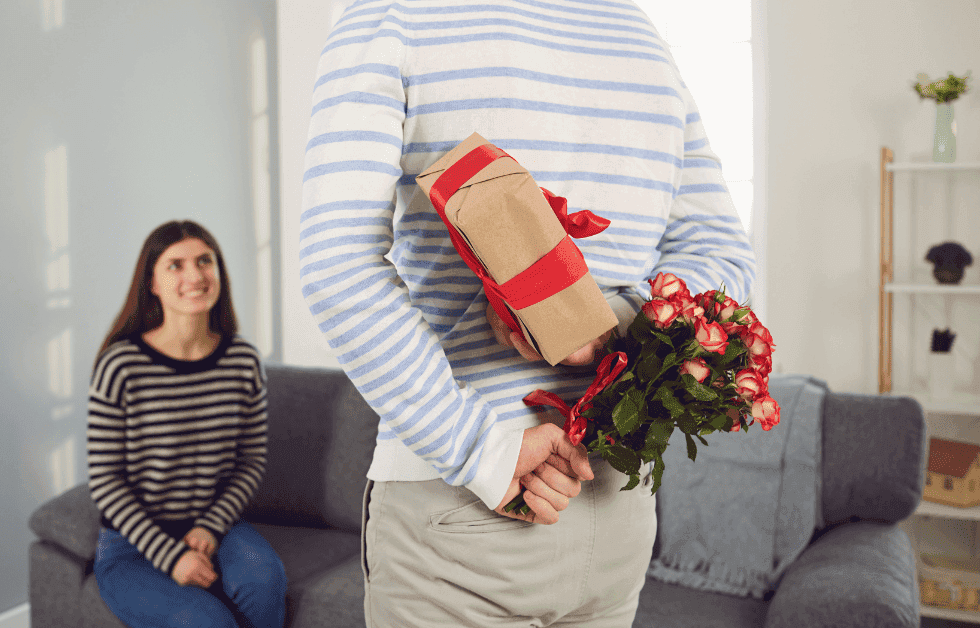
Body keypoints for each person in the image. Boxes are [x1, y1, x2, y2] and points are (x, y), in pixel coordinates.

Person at [298, 2, 755, 627]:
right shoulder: (635, 29)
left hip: (469, 504)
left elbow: (335, 267)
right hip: (616, 500)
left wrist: (481, 448)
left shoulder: (393, 16)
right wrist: (617, 327)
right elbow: (724, 259)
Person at [87, 220, 286, 628]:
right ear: (152, 284)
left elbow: (250, 462)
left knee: (265, 581)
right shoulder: (120, 365)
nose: (194, 276)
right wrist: (171, 555)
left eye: (204, 261)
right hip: (132, 546)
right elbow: (105, 480)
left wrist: (211, 527)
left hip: (218, 528)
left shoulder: (242, 360)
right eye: (175, 265)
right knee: (206, 621)